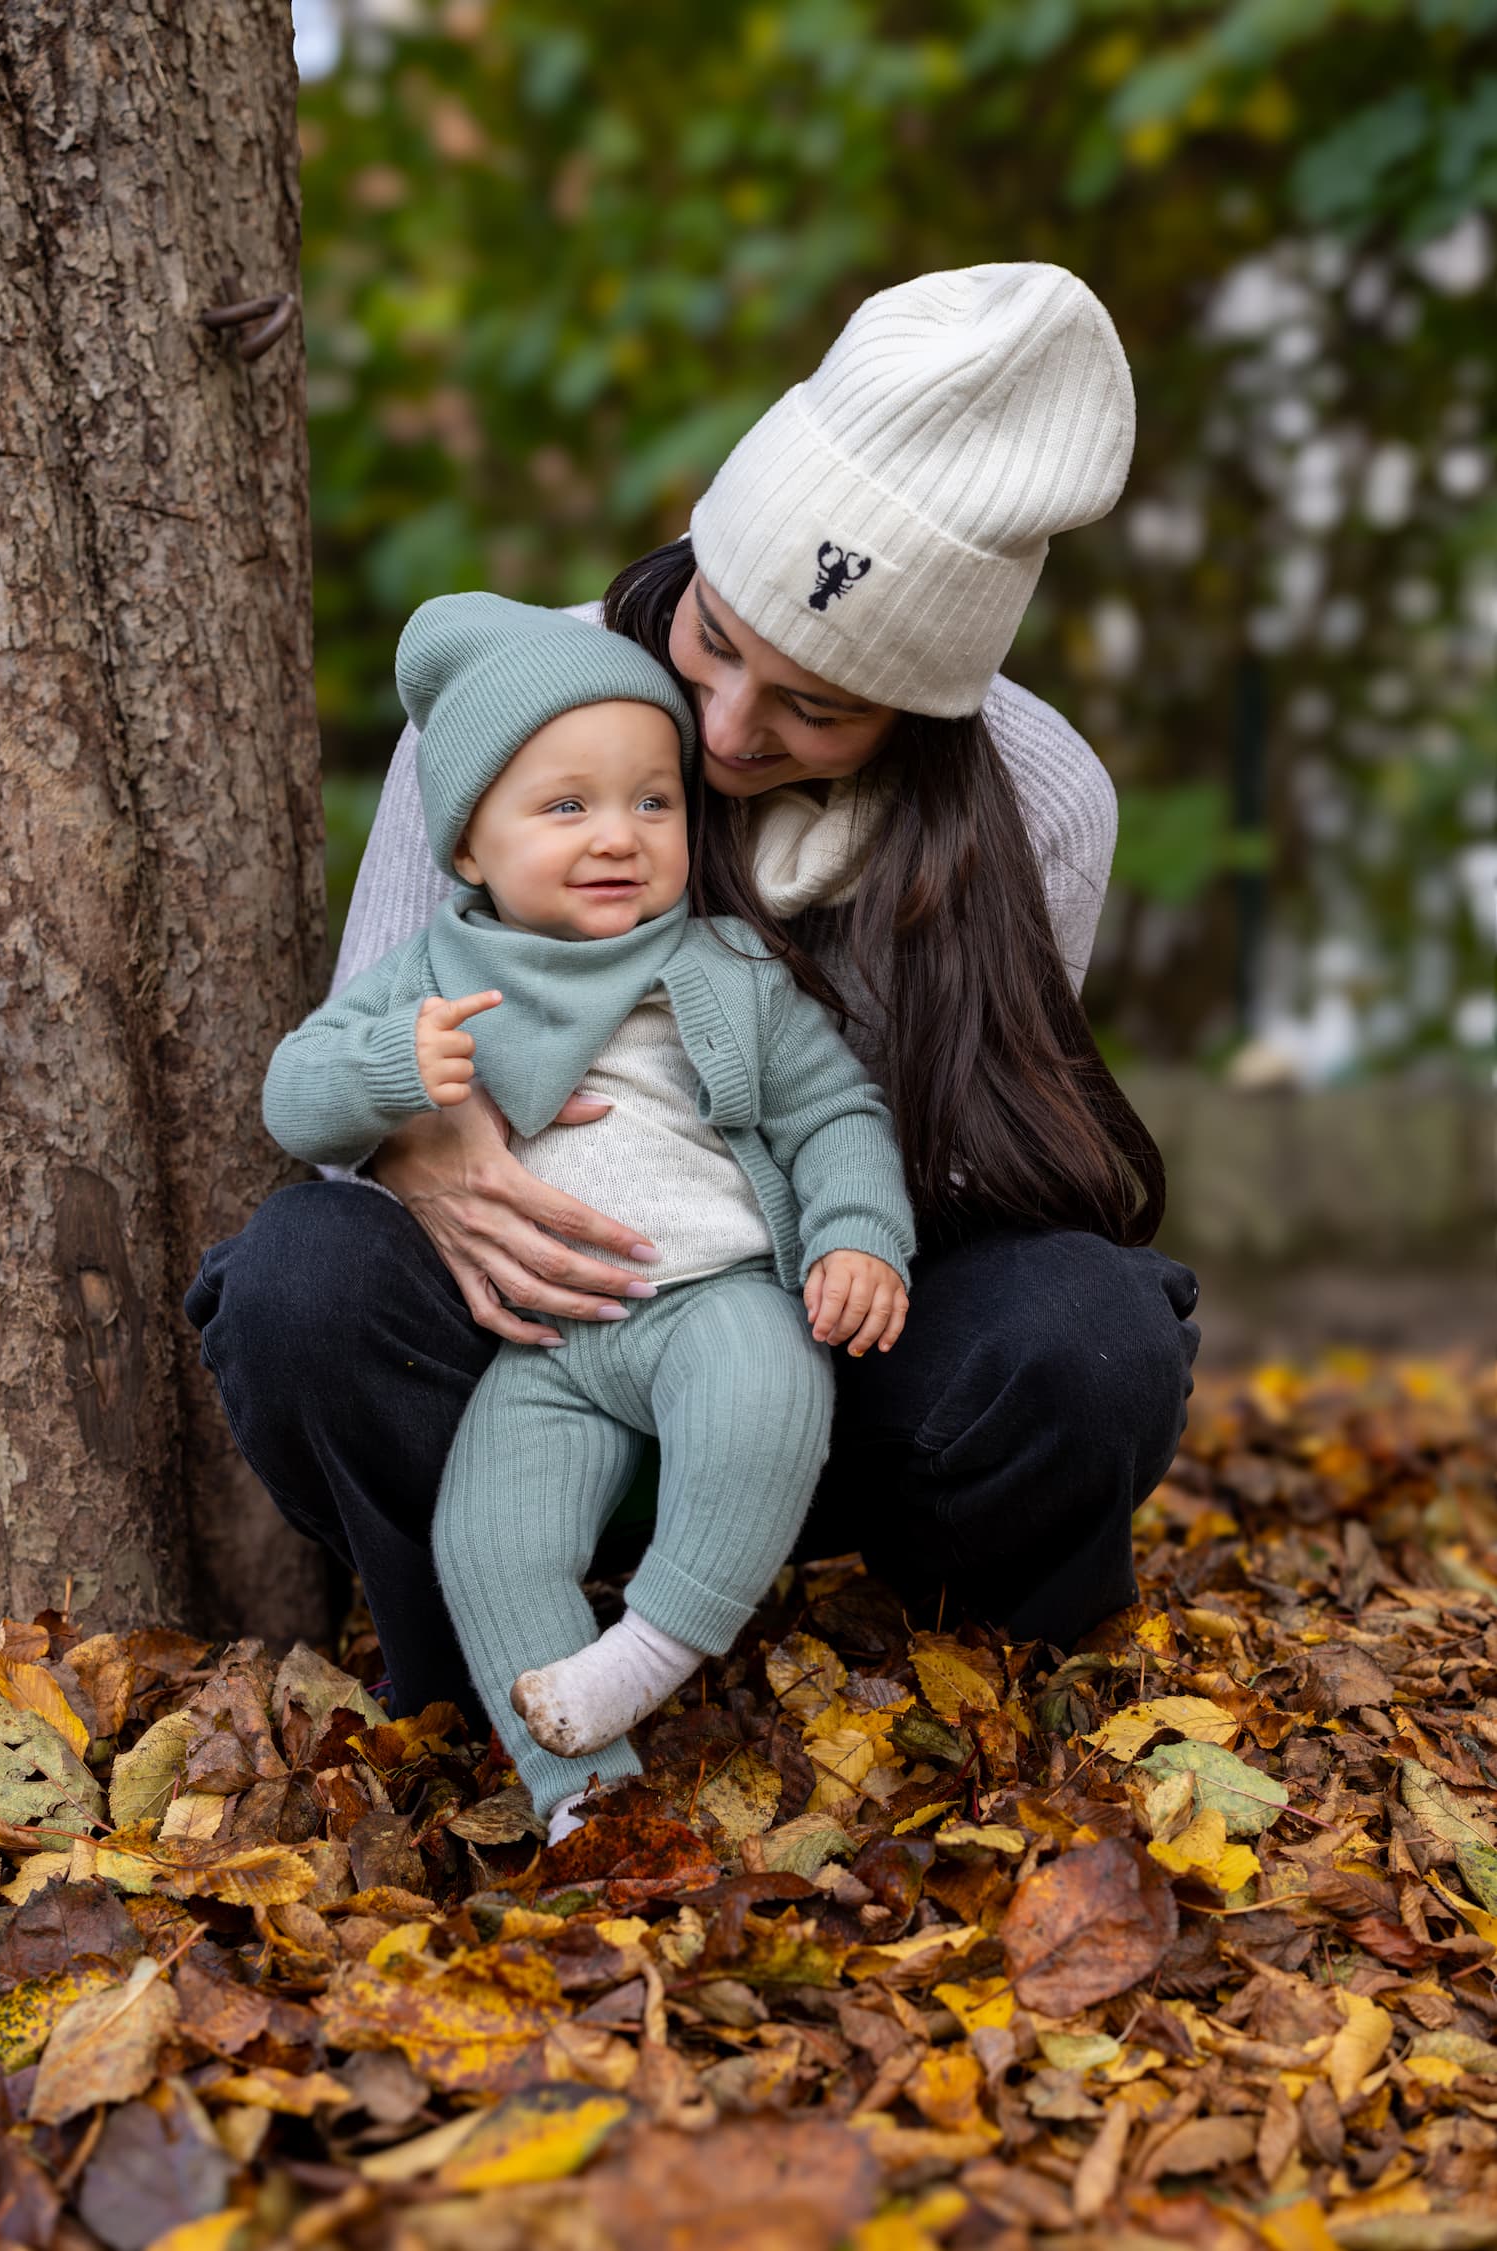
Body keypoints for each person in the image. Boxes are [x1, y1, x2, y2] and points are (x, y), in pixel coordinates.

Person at [186, 261, 1201, 1742]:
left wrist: (809, 1220)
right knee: (303, 1280)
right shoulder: (513, 709)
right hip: (530, 1328)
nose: (725, 729)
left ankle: (979, 1675)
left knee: (1088, 1331)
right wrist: (428, 1150)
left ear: (919, 708)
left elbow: (982, 1172)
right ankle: (481, 1675)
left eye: (816, 707)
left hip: (825, 1348)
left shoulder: (1036, 800)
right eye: (717, 638)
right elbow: (357, 1052)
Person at [260, 593, 915, 1837]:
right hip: (545, 1345)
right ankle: (586, 1812)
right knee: (488, 1538)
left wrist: (856, 1234)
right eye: (566, 808)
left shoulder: (725, 965)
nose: (617, 837)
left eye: (651, 802)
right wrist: (393, 1075)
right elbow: (295, 1095)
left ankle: (654, 1644)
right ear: (467, 848)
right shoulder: (437, 975)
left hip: (714, 1294)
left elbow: (836, 1111)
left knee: (764, 1402)